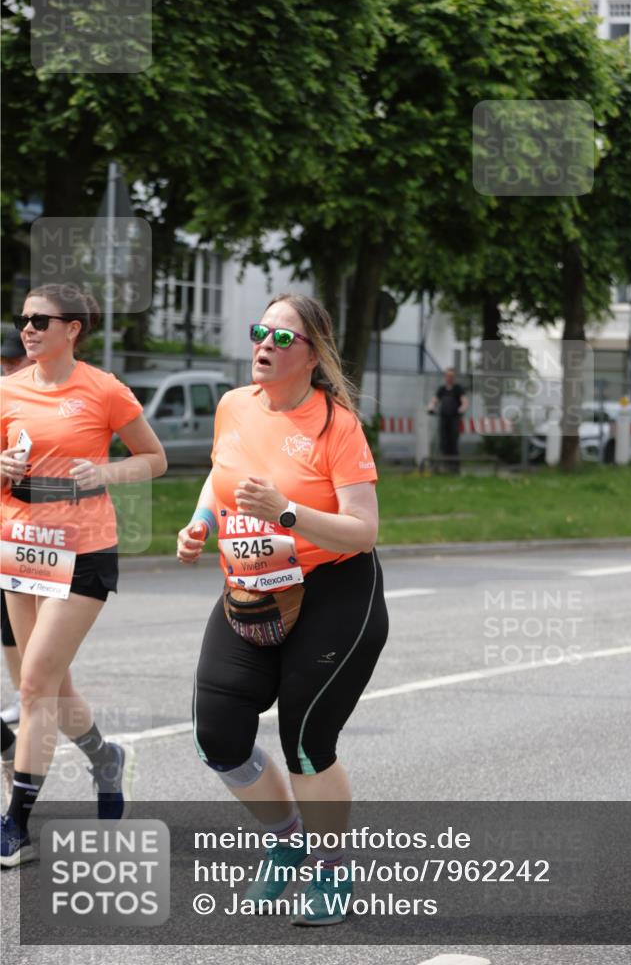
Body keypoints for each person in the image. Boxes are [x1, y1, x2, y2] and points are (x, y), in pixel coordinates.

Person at [178, 293, 389, 926]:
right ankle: (289, 839)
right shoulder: (233, 405)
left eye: (281, 338)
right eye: (258, 332)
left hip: (334, 593)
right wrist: (199, 522)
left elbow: (365, 530)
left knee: (305, 742)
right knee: (217, 735)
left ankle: (330, 870)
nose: (263, 345)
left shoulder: (335, 425)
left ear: (313, 355)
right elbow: (219, 478)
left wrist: (287, 513)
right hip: (249, 587)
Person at [0, 284, 167, 867]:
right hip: (19, 549)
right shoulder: (7, 390)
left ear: (73, 328)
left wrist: (104, 473)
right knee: (50, 685)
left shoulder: (103, 389)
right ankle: (105, 759)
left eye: (41, 320)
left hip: (83, 552)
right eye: (24, 319)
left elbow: (154, 458)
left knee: (34, 685)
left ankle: (16, 822)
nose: (28, 328)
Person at [0, 329, 33, 726]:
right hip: (7, 527)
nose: (6, 368)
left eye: (13, 361)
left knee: (32, 625)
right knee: (6, 622)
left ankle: (37, 693)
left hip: (39, 531)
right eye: (3, 362)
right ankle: (23, 694)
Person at [428, 366, 469, 473]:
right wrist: (431, 408)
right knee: (443, 442)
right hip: (443, 419)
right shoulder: (442, 389)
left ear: (454, 377)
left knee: (453, 443)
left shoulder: (458, 389)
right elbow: (434, 401)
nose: (449, 378)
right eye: (447, 376)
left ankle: (455, 468)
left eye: (451, 376)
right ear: (445, 377)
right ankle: (445, 467)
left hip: (454, 419)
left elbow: (464, 402)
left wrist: (461, 409)